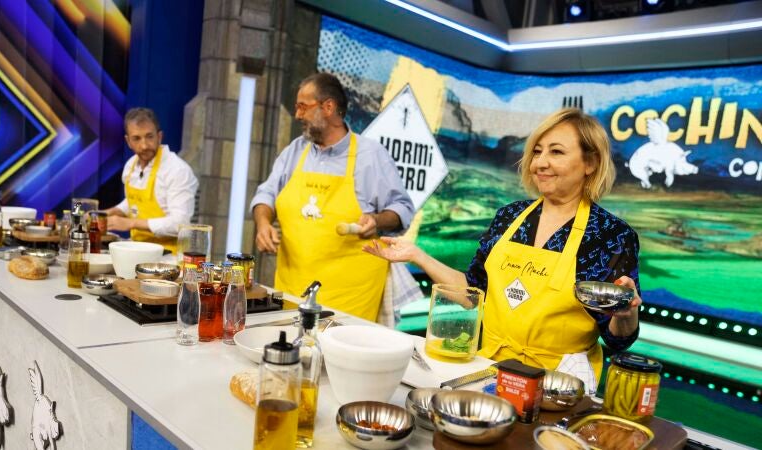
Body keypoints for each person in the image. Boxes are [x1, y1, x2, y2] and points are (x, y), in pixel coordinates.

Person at [365, 108, 641, 393]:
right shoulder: (509, 217)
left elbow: (618, 339)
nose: (540, 163)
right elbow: (473, 293)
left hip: (557, 385)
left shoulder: (611, 236)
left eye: (556, 152)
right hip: (489, 371)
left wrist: (626, 314)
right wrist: (417, 255)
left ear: (590, 163)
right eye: (537, 152)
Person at [251, 73, 414, 322]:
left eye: (303, 107)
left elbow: (402, 209)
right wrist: (263, 223)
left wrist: (376, 220)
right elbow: (266, 194)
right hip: (293, 292)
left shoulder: (371, 155)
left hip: (350, 302)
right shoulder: (295, 151)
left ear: (328, 107)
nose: (297, 115)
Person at [104, 107, 198, 252]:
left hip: (170, 255)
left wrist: (131, 223)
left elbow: (180, 224)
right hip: (137, 248)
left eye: (149, 137)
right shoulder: (130, 166)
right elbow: (134, 202)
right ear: (128, 141)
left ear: (159, 137)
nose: (144, 145)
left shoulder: (177, 170)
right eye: (136, 138)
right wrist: (109, 213)